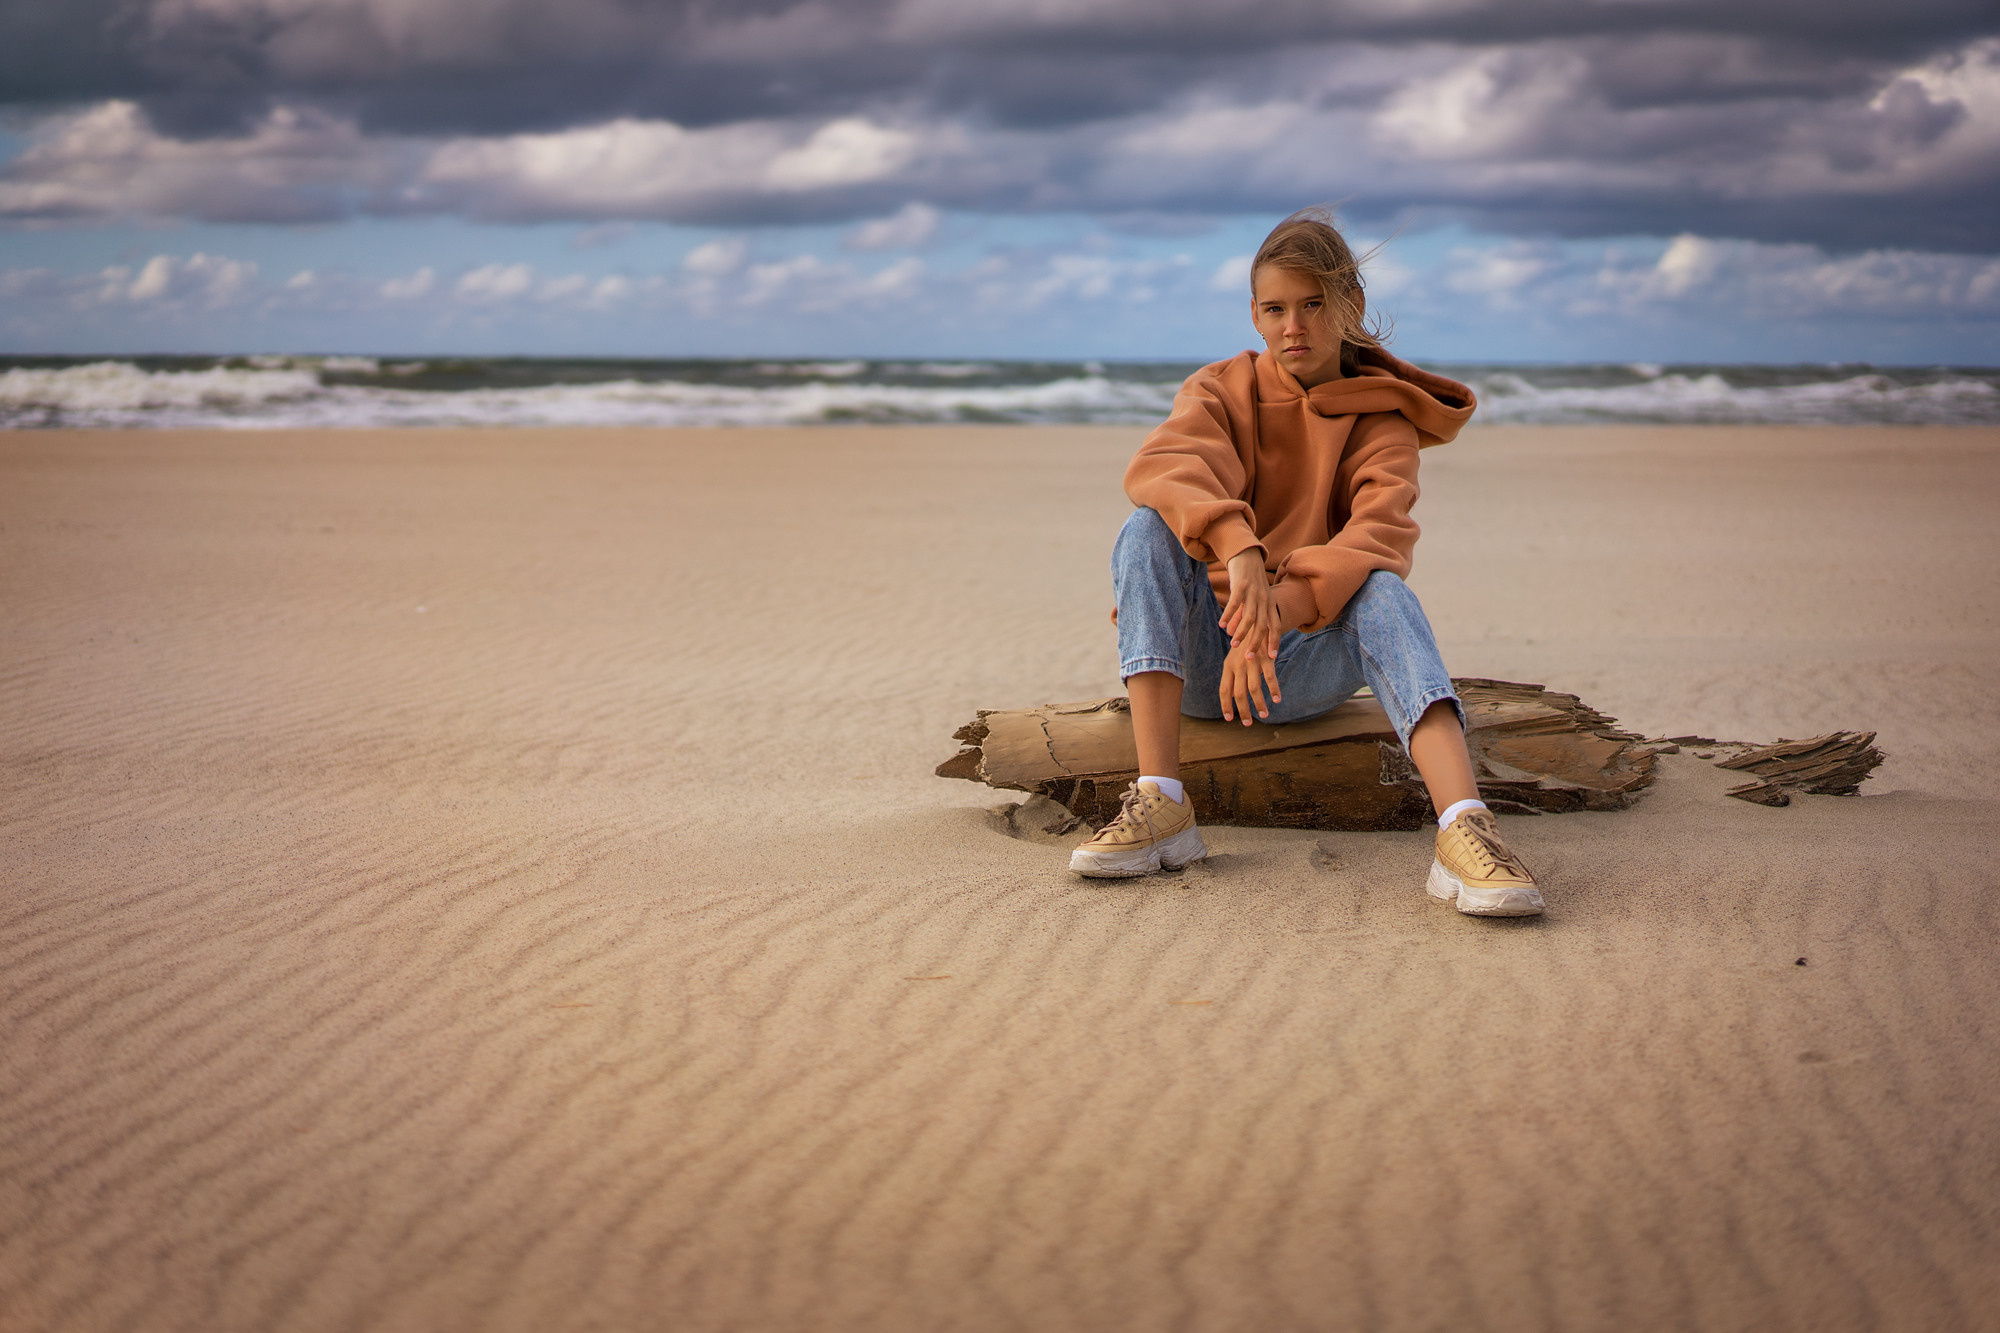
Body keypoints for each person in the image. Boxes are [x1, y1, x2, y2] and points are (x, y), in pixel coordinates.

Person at [1068, 208, 1544, 917]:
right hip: (1209, 663)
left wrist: (1274, 612)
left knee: (1382, 588)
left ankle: (1465, 828)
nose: (1294, 325)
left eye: (1314, 304)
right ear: (1254, 315)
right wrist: (1242, 558)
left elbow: (1376, 538)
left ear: (1351, 304)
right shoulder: (1219, 390)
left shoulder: (1384, 421)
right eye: (1276, 308)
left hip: (1307, 663)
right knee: (1145, 530)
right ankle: (1162, 802)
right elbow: (1165, 468)